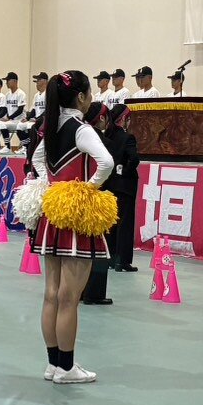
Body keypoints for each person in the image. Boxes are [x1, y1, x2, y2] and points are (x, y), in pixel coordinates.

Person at [31, 70, 114, 385]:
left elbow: (37, 160)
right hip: (76, 219)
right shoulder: (81, 129)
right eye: (89, 93)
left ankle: (53, 364)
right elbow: (106, 162)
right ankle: (66, 368)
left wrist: (51, 186)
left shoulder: (51, 128)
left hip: (52, 217)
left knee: (51, 294)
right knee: (69, 298)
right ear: (81, 96)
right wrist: (86, 189)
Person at [80, 103, 115, 305]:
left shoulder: (76, 134)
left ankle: (79, 290)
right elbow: (108, 166)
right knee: (99, 247)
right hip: (96, 198)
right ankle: (94, 293)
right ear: (101, 118)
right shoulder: (103, 142)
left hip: (75, 197)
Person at [103, 103, 140, 273]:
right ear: (124, 119)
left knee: (111, 223)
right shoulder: (127, 137)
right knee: (125, 223)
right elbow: (134, 159)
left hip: (110, 185)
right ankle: (122, 261)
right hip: (125, 186)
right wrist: (124, 171)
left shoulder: (107, 136)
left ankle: (110, 258)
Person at [3, 72, 28, 149]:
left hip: (20, 120)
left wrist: (9, 117)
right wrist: (4, 117)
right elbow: (6, 109)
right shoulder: (7, 94)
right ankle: (7, 147)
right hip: (11, 120)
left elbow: (20, 110)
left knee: (3, 125)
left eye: (8, 80)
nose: (6, 82)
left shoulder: (21, 93)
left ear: (15, 81)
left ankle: (25, 147)